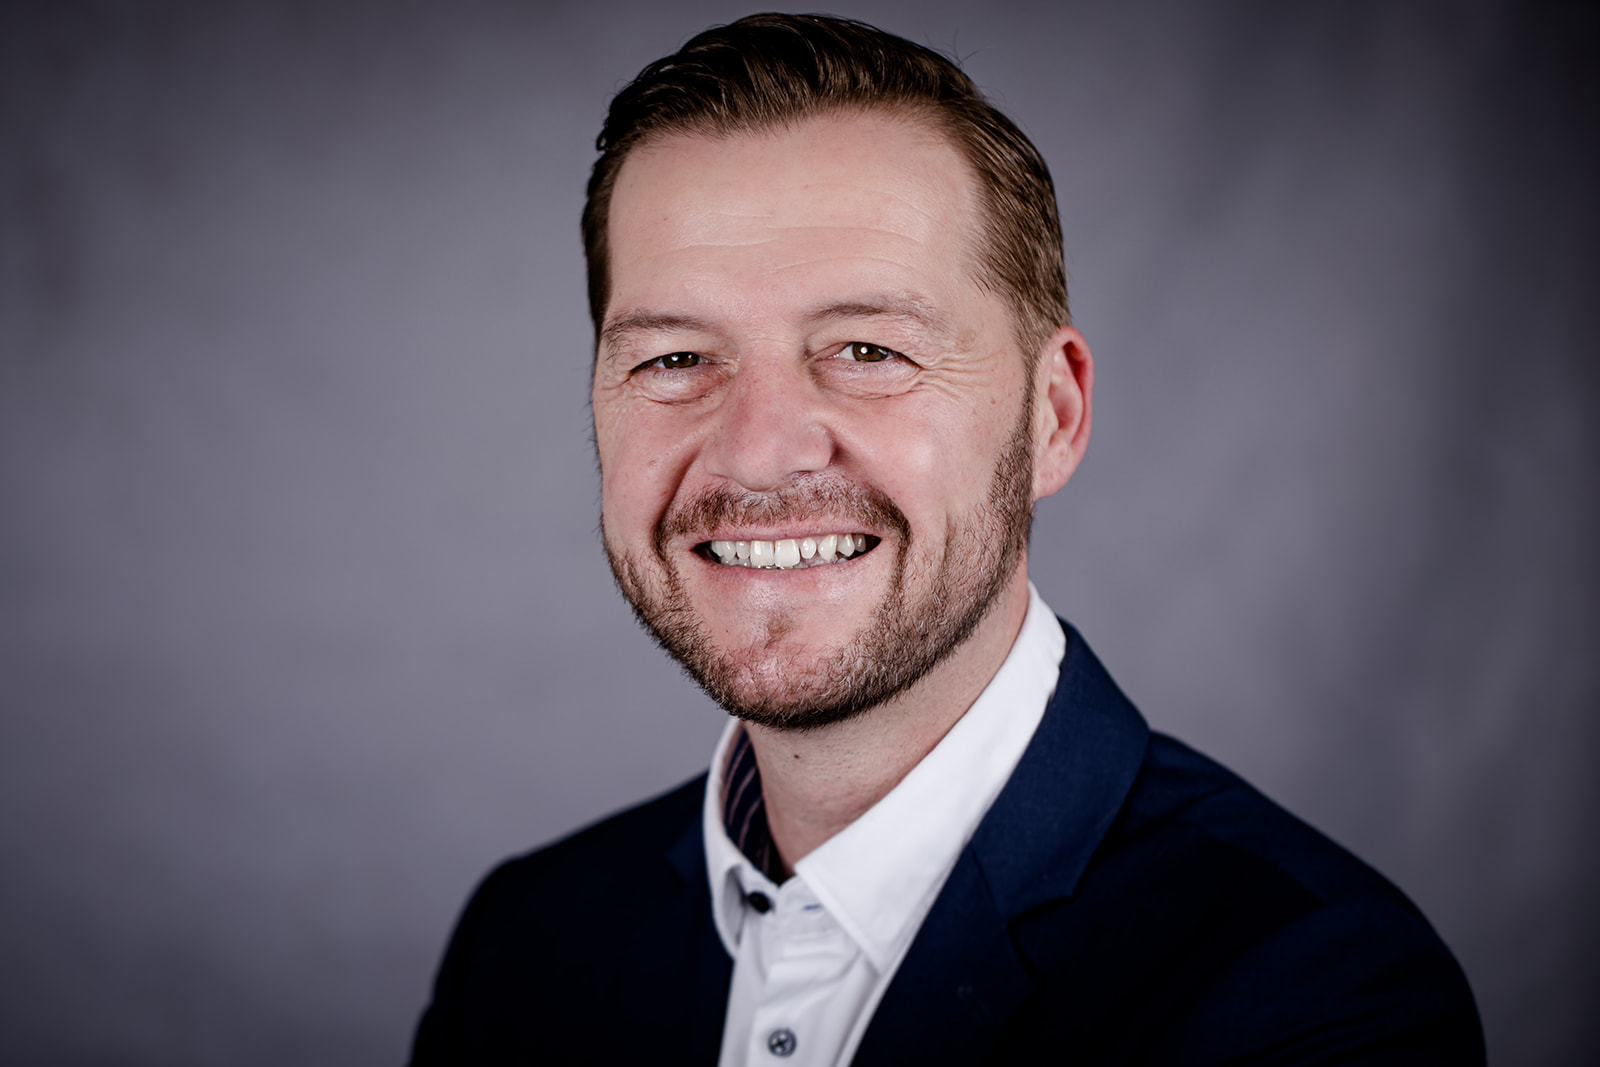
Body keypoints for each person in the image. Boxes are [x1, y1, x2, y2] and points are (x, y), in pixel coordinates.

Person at [410, 14, 1483, 1065]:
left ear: (1052, 415)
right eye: (675, 359)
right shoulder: (524, 947)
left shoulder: (1310, 996)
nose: (759, 453)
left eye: (868, 349)